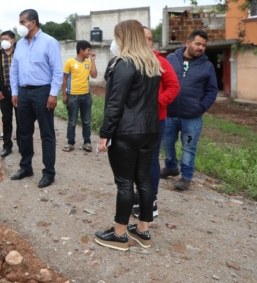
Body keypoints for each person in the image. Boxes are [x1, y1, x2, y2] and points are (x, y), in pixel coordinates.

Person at [95, 19, 161, 252]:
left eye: (117, 36)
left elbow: (115, 103)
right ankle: (143, 230)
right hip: (150, 130)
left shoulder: (124, 63)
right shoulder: (152, 62)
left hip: (127, 131)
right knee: (143, 180)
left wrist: (104, 134)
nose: (115, 41)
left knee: (124, 183)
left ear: (124, 37)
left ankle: (120, 233)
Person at [10, 9, 63, 189]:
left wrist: (53, 94)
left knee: (46, 133)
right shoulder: (20, 45)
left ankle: (49, 172)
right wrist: (14, 92)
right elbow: (14, 70)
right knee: (23, 132)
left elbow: (57, 71)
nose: (20, 26)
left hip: (43, 92)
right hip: (24, 93)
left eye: (22, 22)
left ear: (33, 22)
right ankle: (26, 167)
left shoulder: (49, 42)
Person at [131, 27, 179, 218]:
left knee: (150, 160)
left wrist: (157, 103)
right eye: (144, 39)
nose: (148, 42)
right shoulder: (130, 63)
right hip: (133, 121)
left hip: (155, 120)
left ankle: (151, 201)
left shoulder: (160, 62)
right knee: (135, 160)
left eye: (150, 39)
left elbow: (174, 86)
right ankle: (141, 194)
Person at [161, 29, 218, 191]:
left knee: (189, 147)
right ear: (188, 43)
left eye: (204, 45)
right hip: (169, 113)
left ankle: (186, 177)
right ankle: (171, 167)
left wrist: (201, 107)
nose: (201, 48)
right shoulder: (171, 59)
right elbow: (161, 81)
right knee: (166, 143)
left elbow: (212, 91)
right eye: (198, 44)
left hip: (192, 116)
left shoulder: (207, 66)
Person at [61, 40, 97, 152]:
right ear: (81, 50)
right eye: (88, 50)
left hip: (86, 96)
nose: (89, 52)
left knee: (86, 121)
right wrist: (64, 95)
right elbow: (65, 79)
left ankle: (87, 142)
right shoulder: (70, 62)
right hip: (73, 96)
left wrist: (93, 61)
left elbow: (94, 75)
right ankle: (70, 142)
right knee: (72, 121)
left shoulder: (88, 63)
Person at [0, 30, 19, 157]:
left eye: (6, 39)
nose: (3, 41)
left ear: (13, 40)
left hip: (19, 93)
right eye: (2, 39)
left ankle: (23, 146)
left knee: (21, 120)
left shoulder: (20, 53)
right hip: (5, 93)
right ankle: (7, 146)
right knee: (6, 120)